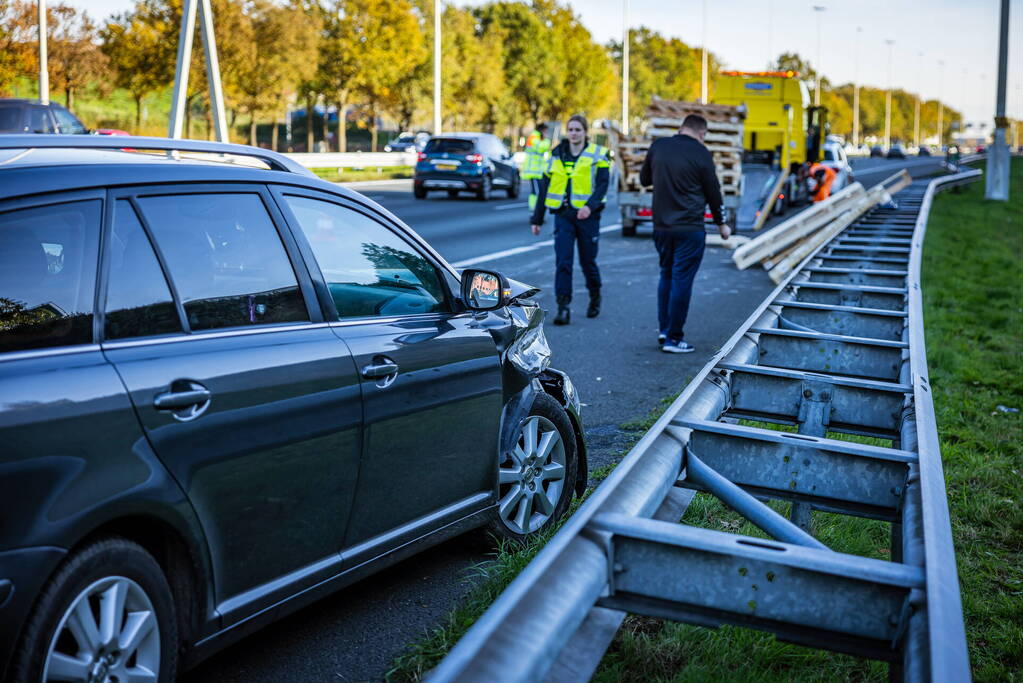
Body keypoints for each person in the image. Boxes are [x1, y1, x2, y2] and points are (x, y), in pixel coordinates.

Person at [639, 113, 730, 354]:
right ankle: (674, 338)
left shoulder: (658, 146)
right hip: (689, 228)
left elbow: (644, 179)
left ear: (682, 128)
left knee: (666, 275)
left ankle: (664, 329)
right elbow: (714, 192)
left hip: (661, 227)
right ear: (702, 133)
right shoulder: (701, 153)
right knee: (682, 280)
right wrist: (722, 224)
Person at [529, 114, 611, 325]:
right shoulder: (556, 155)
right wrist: (537, 219)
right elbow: (544, 189)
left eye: (578, 130)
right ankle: (563, 307)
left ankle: (595, 297)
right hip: (563, 216)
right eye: (571, 129)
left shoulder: (598, 155)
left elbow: (602, 185)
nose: (574, 133)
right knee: (563, 262)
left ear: (585, 133)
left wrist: (589, 207)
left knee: (587, 262)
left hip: (587, 217)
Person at [522, 123, 551, 212]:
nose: (547, 133)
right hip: (533, 171)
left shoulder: (537, 137)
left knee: (539, 191)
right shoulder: (534, 137)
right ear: (542, 130)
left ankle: (536, 210)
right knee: (537, 192)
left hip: (539, 171)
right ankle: (535, 210)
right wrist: (547, 140)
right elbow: (542, 148)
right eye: (546, 131)